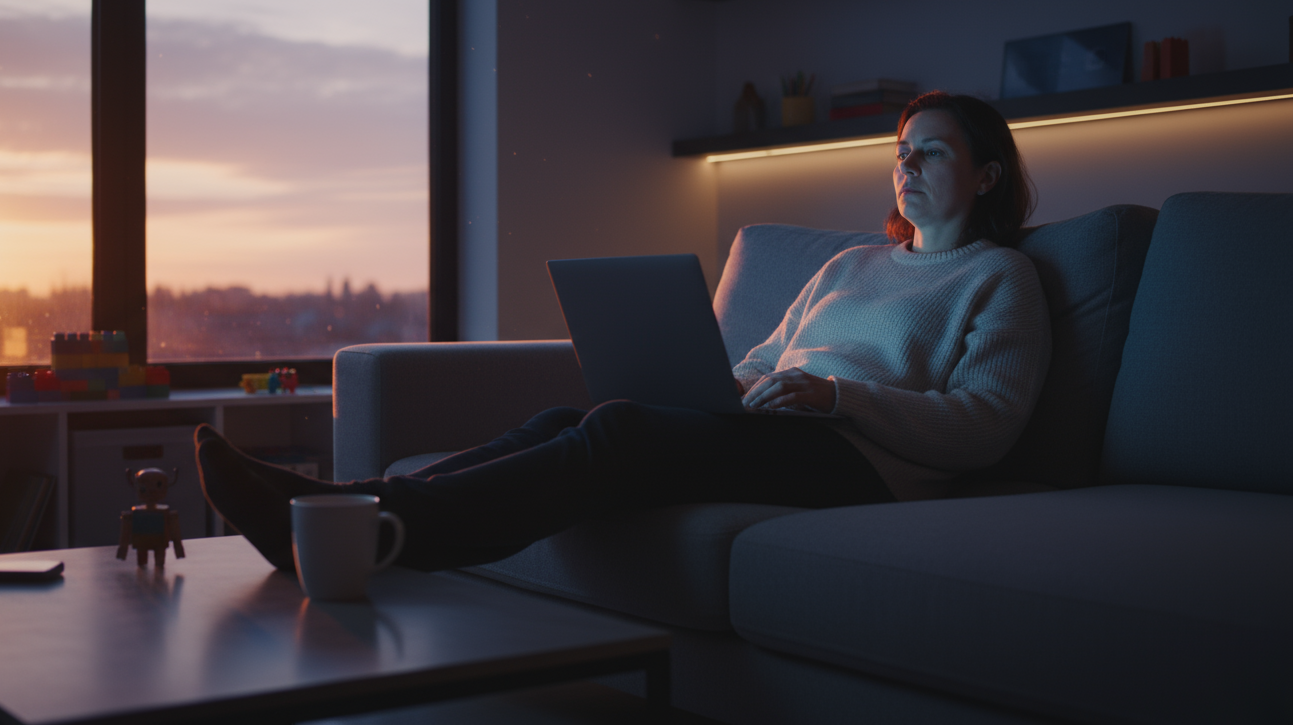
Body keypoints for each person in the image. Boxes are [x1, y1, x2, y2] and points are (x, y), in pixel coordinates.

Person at [196, 91, 1052, 573]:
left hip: (864, 464)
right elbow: (758, 357)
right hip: (783, 425)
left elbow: (986, 423)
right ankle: (344, 511)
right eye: (901, 149)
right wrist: (740, 388)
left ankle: (371, 535)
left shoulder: (1000, 277)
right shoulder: (850, 263)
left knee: (620, 431)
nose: (907, 164)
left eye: (931, 152)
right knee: (566, 423)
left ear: (984, 175)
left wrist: (838, 395)